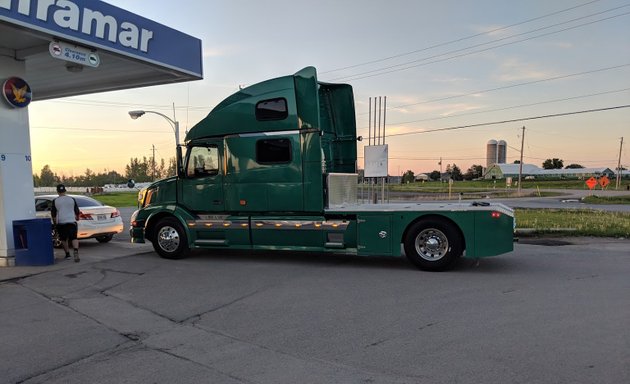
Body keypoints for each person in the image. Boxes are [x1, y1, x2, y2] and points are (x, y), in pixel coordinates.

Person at [51, 184, 80, 262]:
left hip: (61, 222)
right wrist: (77, 217)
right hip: (72, 221)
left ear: (57, 191)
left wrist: (55, 224)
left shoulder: (55, 201)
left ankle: (67, 254)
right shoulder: (72, 199)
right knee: (74, 237)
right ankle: (76, 251)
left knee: (64, 239)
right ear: (65, 191)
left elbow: (53, 214)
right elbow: (77, 211)